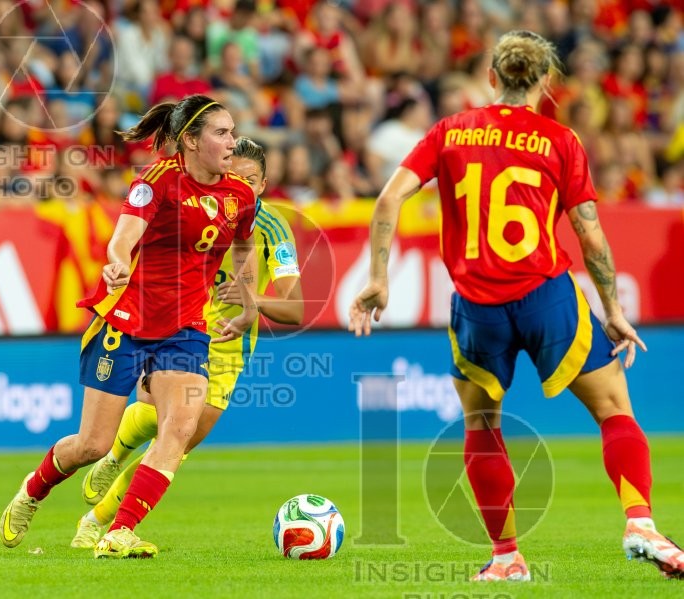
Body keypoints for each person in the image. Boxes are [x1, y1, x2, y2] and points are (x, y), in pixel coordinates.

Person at [349, 30, 684, 581]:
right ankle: (640, 523)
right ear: (547, 81)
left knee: (481, 425)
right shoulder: (560, 140)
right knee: (614, 411)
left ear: (491, 78)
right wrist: (613, 309)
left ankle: (506, 557)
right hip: (545, 295)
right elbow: (591, 237)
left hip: (477, 305)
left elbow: (389, 198)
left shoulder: (450, 132)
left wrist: (378, 278)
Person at [0, 95, 259, 559]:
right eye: (221, 132)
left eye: (232, 131)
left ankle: (119, 531)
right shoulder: (156, 181)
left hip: (186, 327)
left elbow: (243, 247)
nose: (232, 141)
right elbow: (123, 240)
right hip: (130, 320)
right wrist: (117, 265)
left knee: (178, 428)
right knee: (91, 445)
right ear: (191, 141)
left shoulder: (240, 193)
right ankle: (32, 491)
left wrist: (248, 301)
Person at [69, 137, 304, 549]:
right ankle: (114, 455)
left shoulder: (272, 229)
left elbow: (296, 310)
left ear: (264, 185)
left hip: (228, 350)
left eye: (251, 181)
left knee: (178, 443)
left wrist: (253, 299)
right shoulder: (195, 208)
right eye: (234, 177)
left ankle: (97, 521)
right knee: (154, 420)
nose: (241, 188)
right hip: (175, 329)